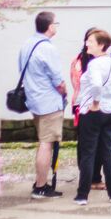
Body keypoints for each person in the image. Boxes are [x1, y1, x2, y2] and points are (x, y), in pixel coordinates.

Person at [73, 29, 111, 206]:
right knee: (107, 152)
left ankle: (82, 194)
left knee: (88, 153)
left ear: (101, 45)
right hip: (110, 111)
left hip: (92, 112)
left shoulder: (94, 65)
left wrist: (96, 102)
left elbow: (96, 84)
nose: (87, 44)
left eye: (90, 41)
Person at [19, 11, 67, 199]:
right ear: (50, 26)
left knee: (43, 140)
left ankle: (40, 181)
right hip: (49, 101)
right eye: (56, 23)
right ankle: (40, 186)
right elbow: (58, 79)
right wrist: (64, 92)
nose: (56, 26)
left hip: (34, 98)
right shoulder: (48, 48)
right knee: (47, 143)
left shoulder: (27, 44)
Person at [70, 29, 104, 190]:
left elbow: (75, 83)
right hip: (95, 105)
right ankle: (95, 178)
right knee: (97, 144)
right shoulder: (97, 62)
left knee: (83, 143)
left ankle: (86, 176)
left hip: (79, 104)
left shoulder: (77, 60)